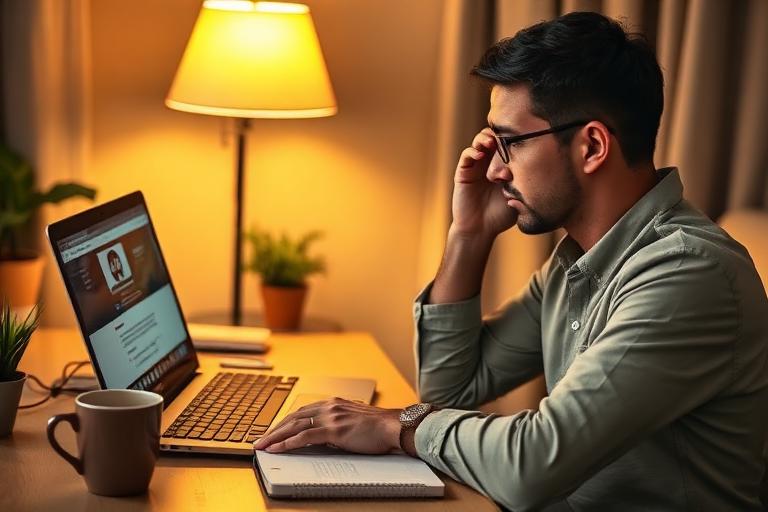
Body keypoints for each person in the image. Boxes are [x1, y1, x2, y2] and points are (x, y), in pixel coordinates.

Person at [255, 11, 768, 511]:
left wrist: (397, 425)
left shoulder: (686, 274)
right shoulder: (580, 261)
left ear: (591, 145)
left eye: (510, 142)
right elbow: (449, 391)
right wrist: (469, 234)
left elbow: (532, 465)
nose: (495, 169)